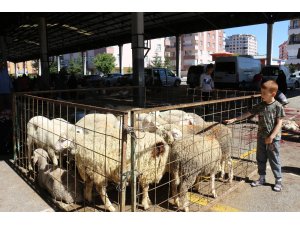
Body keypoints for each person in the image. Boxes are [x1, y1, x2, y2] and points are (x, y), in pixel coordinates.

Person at [224, 80, 285, 192]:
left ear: (273, 94)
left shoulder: (278, 106)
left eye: (264, 93)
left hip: (273, 139)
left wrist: (271, 136)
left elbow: (279, 123)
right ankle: (261, 178)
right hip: (261, 136)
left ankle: (278, 180)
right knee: (260, 158)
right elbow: (249, 113)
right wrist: (235, 119)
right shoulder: (261, 105)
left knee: (274, 159)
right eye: (261, 92)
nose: (261, 95)